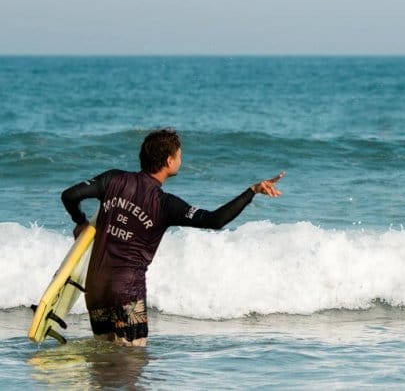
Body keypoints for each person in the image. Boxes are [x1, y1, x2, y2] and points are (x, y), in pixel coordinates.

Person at [61, 128, 285, 346]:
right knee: (131, 364)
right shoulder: (165, 203)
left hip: (95, 288)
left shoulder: (112, 179)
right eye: (179, 155)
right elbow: (215, 220)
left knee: (103, 361)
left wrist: (80, 222)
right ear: (169, 161)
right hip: (127, 291)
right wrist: (252, 191)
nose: (180, 159)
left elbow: (69, 195)